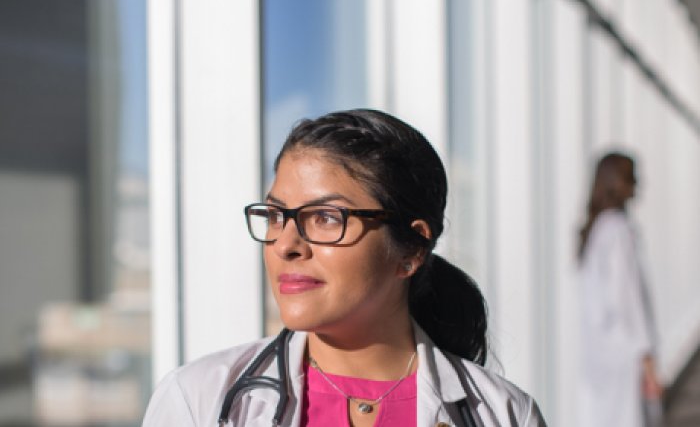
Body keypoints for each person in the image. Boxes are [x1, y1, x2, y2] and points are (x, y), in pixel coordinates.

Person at [143, 109, 546, 426]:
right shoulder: (198, 401)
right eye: (276, 215)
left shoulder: (504, 415)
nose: (286, 245)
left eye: (326, 218)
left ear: (412, 248)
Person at [577, 152, 663, 427]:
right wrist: (647, 360)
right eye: (631, 177)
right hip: (623, 357)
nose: (637, 183)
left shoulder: (596, 230)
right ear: (618, 182)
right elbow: (628, 301)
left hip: (598, 355)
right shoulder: (618, 230)